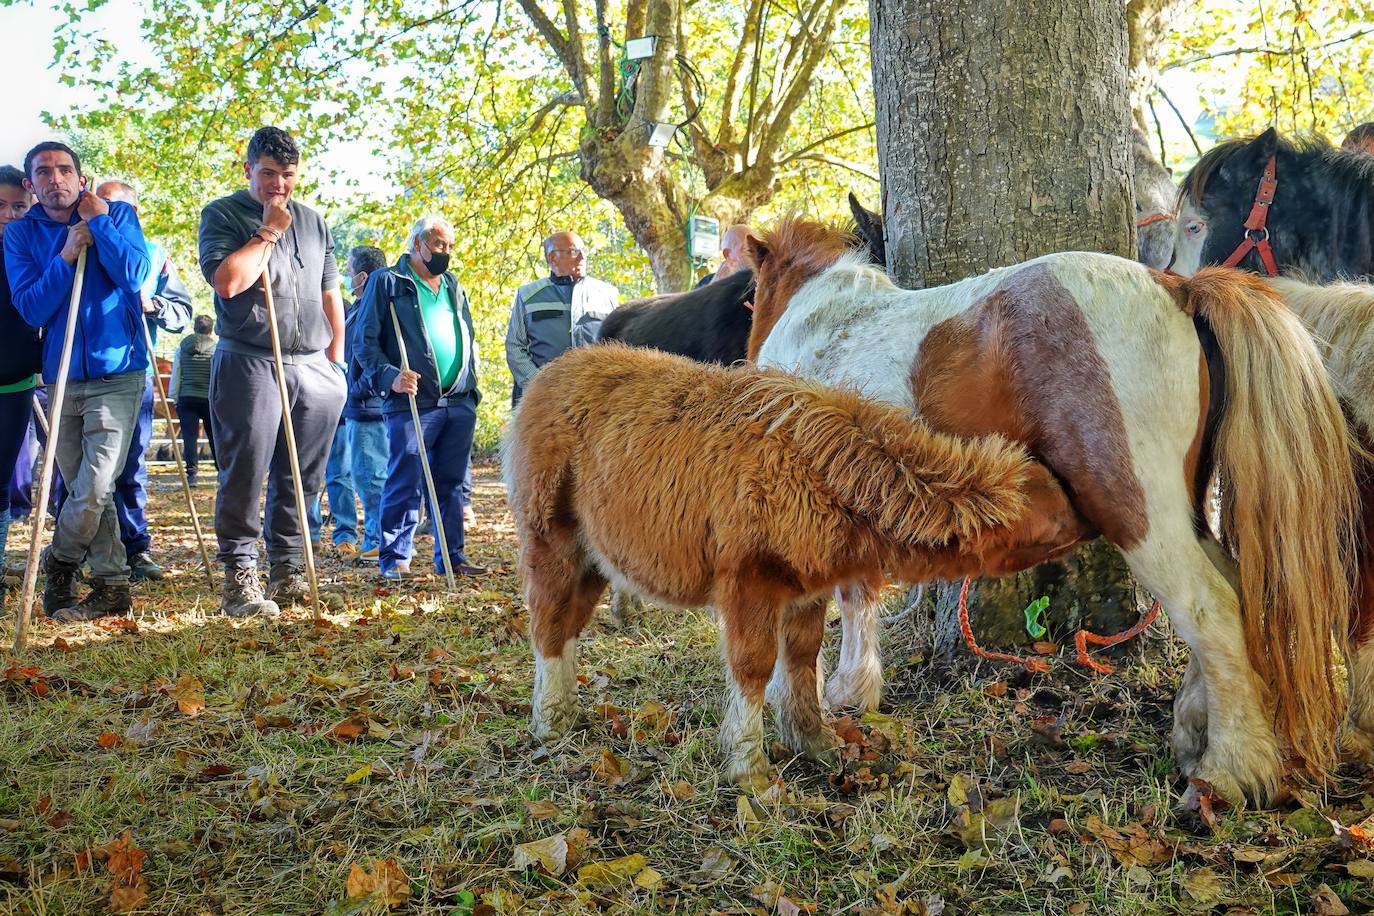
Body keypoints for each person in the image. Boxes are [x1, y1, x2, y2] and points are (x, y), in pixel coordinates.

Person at [198, 126, 346, 617]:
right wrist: (269, 230)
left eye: (287, 176)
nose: (279, 186)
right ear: (248, 170)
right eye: (268, 174)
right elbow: (228, 281)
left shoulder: (315, 221)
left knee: (303, 478)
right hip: (251, 360)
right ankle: (240, 575)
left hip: (313, 364)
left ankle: (288, 568)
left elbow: (330, 293)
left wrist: (336, 361)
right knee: (245, 471)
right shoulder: (222, 213)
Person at [5, 141, 151, 621]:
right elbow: (31, 306)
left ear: (80, 177)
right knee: (87, 489)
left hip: (117, 372)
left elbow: (133, 275)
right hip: (61, 373)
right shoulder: (21, 235)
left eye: (65, 170)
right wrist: (66, 255)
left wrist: (101, 223)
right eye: (43, 173)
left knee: (93, 487)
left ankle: (59, 563)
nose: (55, 179)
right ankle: (111, 586)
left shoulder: (119, 214)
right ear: (31, 184)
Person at [354, 216, 484, 580]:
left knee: (452, 483)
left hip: (457, 400)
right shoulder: (388, 282)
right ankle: (395, 559)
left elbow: (466, 335)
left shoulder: (453, 285)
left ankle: (452, 558)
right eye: (439, 244)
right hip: (413, 401)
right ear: (417, 244)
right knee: (405, 477)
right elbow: (363, 343)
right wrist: (389, 376)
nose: (446, 252)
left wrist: (471, 387)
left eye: (450, 246)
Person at [82, 179, 192, 581]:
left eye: (114, 206)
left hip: (134, 373)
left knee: (128, 466)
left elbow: (182, 312)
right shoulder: (78, 244)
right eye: (99, 204)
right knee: (76, 472)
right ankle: (74, 550)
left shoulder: (154, 255)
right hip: (77, 375)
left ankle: (135, 548)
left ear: (133, 212)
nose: (103, 210)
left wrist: (158, 304)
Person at [504, 230, 617, 404]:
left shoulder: (607, 294)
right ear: (552, 258)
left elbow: (617, 344)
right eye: (573, 251)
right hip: (541, 401)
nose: (581, 257)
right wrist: (539, 385)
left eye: (583, 251)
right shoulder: (527, 295)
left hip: (593, 399)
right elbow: (514, 345)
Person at [0, 166, 40, 598]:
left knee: (2, 480)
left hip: (13, 383)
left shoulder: (29, 252)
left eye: (18, 206)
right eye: (1, 206)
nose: (9, 215)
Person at [342, 244, 388, 561]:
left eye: (349, 272)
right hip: (358, 405)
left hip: (369, 406)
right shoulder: (357, 307)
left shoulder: (377, 307)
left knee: (371, 478)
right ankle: (376, 538)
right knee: (365, 475)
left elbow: (375, 356)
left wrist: (358, 389)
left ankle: (379, 540)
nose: (346, 277)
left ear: (362, 276)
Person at [169, 314, 217, 485]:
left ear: (194, 329)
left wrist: (174, 396)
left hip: (186, 397)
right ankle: (221, 471)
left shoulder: (182, 347)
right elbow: (219, 375)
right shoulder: (216, 349)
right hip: (209, 399)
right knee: (214, 435)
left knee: (189, 436)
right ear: (211, 330)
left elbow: (177, 373)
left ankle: (192, 475)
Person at [693, 223, 753, 288]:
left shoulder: (759, 284)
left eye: (757, 249)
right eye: (747, 249)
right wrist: (714, 286)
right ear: (727, 254)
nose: (755, 255)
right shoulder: (706, 282)